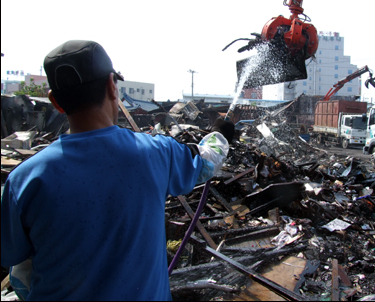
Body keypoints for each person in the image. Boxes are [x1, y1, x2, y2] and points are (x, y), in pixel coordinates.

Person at [1, 40, 235, 301]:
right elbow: (207, 162)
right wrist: (220, 134)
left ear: (55, 102)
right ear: (112, 87)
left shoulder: (23, 181)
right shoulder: (157, 154)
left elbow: (14, 263)